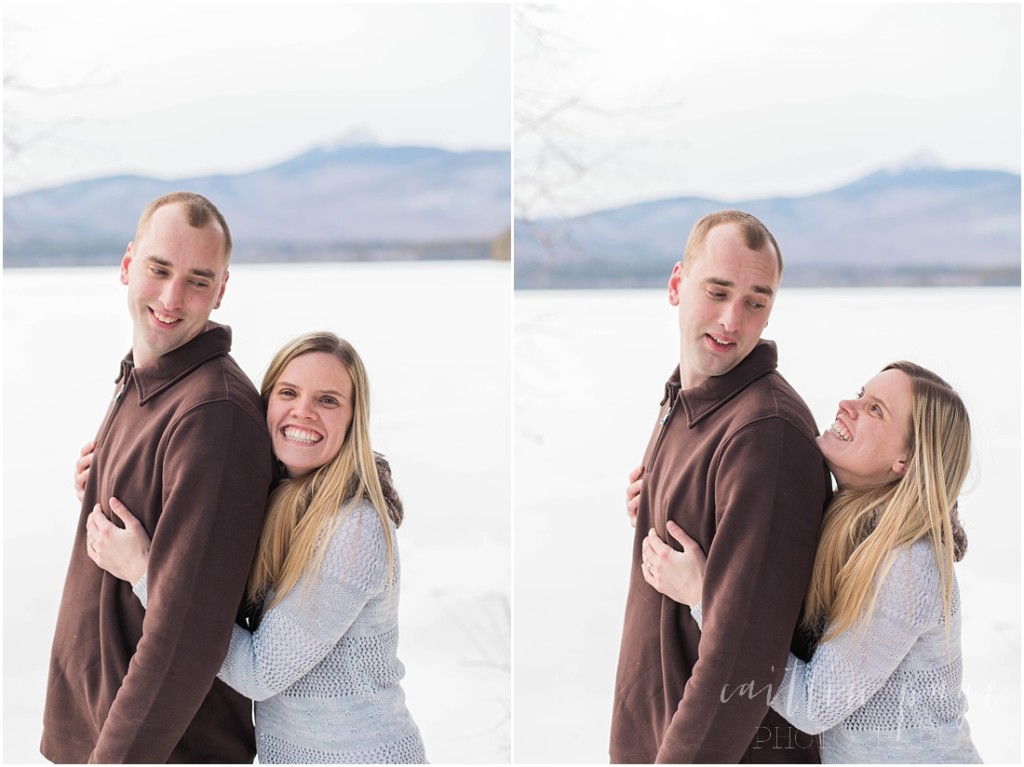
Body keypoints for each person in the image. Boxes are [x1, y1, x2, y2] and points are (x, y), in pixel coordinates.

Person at [86, 332, 428, 764]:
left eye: (328, 400)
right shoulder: (282, 499)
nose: (303, 412)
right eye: (288, 392)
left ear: (353, 419)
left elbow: (259, 671)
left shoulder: (353, 530)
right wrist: (107, 479)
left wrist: (144, 575)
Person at [641, 362, 981, 763]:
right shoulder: (848, 529)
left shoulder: (907, 564)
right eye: (860, 393)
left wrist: (703, 599)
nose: (846, 405)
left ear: (906, 461)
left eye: (876, 410)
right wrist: (658, 500)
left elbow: (813, 705)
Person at [41, 192, 276, 763]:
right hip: (102, 732)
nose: (173, 298)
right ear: (127, 265)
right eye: (159, 269)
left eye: (198, 280)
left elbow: (186, 638)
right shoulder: (147, 381)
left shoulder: (212, 414)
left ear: (221, 290)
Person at [610, 210, 832, 763]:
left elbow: (745, 658)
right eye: (718, 291)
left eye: (756, 301)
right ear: (677, 285)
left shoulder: (766, 432)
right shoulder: (684, 401)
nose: (733, 319)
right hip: (655, 737)